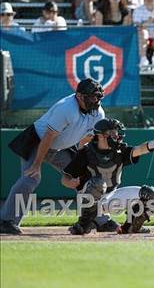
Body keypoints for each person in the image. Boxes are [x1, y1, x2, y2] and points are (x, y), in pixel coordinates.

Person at [0, 79, 115, 235]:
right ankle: (6, 221)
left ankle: (98, 219)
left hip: (62, 147)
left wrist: (81, 164)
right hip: (38, 142)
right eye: (92, 97)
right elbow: (48, 136)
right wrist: (36, 164)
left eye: (98, 97)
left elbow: (85, 139)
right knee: (31, 178)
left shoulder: (98, 112)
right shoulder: (66, 108)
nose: (96, 100)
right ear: (79, 96)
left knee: (86, 179)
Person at [62, 118, 154, 235]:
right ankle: (83, 224)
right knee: (98, 183)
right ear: (101, 135)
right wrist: (70, 182)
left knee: (150, 194)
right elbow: (65, 178)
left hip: (111, 197)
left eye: (116, 132)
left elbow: (142, 149)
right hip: (89, 200)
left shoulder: (120, 150)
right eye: (112, 132)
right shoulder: (86, 152)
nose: (117, 135)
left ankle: (131, 227)